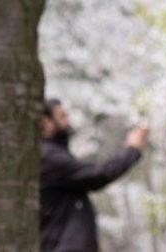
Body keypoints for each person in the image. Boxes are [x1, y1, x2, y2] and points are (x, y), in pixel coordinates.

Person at [39, 98, 149, 252]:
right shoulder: (48, 156)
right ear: (46, 122)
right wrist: (132, 149)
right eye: (62, 116)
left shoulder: (51, 154)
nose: (68, 121)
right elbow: (96, 175)